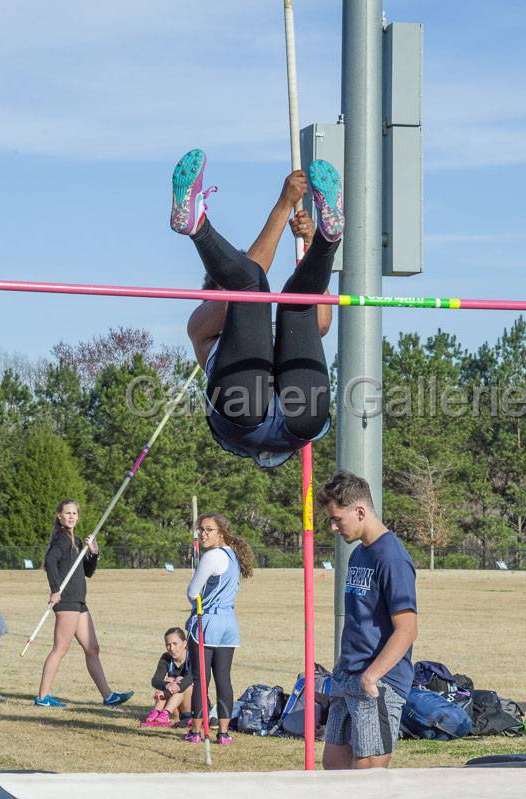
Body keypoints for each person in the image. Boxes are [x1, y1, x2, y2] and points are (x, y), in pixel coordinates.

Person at [176, 148, 343, 469]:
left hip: (291, 416)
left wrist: (313, 246)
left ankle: (329, 238)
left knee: (296, 302)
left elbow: (319, 320)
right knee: (259, 290)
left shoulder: (243, 297)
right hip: (249, 416)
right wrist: (283, 206)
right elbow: (252, 276)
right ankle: (197, 226)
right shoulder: (202, 324)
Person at [320, 471, 418, 770]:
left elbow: (407, 629)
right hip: (346, 676)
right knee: (333, 769)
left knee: (366, 778)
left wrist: (371, 676)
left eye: (337, 519)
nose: (333, 527)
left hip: (377, 684)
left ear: (360, 511)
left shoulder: (392, 557)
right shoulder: (359, 554)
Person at [35, 499, 133, 709]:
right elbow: (50, 562)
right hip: (67, 600)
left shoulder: (77, 541)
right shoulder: (61, 539)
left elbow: (87, 572)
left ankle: (108, 696)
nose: (71, 516)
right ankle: (43, 697)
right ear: (59, 516)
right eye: (67, 513)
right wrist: (55, 590)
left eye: (74, 513)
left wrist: (93, 552)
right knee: (60, 649)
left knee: (92, 648)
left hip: (79, 601)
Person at [184, 513, 255, 746]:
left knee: (200, 679)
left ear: (220, 533)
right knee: (223, 678)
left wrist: (197, 605)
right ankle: (223, 733)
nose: (203, 534)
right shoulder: (233, 555)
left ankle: (196, 731)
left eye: (208, 530)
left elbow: (192, 592)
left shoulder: (212, 556)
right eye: (201, 530)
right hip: (229, 624)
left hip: (208, 623)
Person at [141, 627, 194, 728]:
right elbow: (155, 680)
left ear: (185, 643)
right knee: (169, 680)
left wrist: (166, 692)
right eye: (168, 645)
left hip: (190, 709)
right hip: (175, 710)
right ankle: (157, 714)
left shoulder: (192, 657)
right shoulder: (166, 657)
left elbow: (189, 679)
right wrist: (168, 685)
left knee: (180, 680)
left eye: (175, 643)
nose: (172, 648)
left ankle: (163, 713)